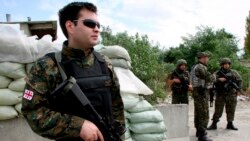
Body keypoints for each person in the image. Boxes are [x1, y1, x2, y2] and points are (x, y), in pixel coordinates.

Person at [22, 2, 125, 141]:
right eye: (90, 23)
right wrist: (77, 126)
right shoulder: (47, 67)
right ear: (70, 26)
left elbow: (116, 107)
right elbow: (33, 112)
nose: (97, 29)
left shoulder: (104, 63)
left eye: (98, 25)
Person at [207, 58, 242, 131]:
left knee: (231, 109)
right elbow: (210, 79)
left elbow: (239, 81)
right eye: (225, 64)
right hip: (220, 94)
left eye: (228, 64)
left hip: (231, 93)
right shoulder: (217, 73)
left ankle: (230, 123)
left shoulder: (234, 72)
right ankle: (214, 124)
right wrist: (218, 79)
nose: (226, 65)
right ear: (222, 65)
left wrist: (238, 89)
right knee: (218, 110)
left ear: (229, 64)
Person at [190, 52, 213, 141]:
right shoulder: (200, 67)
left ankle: (199, 131)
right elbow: (209, 78)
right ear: (203, 58)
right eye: (207, 58)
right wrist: (215, 75)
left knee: (198, 113)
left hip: (199, 92)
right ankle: (202, 135)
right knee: (203, 113)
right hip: (201, 93)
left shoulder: (195, 66)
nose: (208, 59)